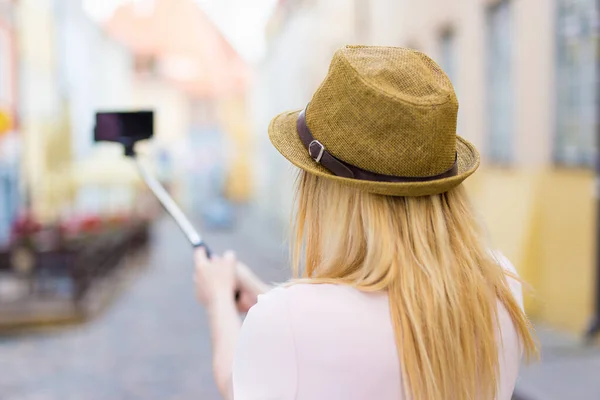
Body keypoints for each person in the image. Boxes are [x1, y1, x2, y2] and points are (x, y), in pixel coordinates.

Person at [193, 45, 537, 400]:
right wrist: (267, 299)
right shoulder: (501, 285)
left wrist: (220, 298)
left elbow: (238, 384)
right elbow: (387, 328)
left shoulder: (287, 322)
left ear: (327, 191)